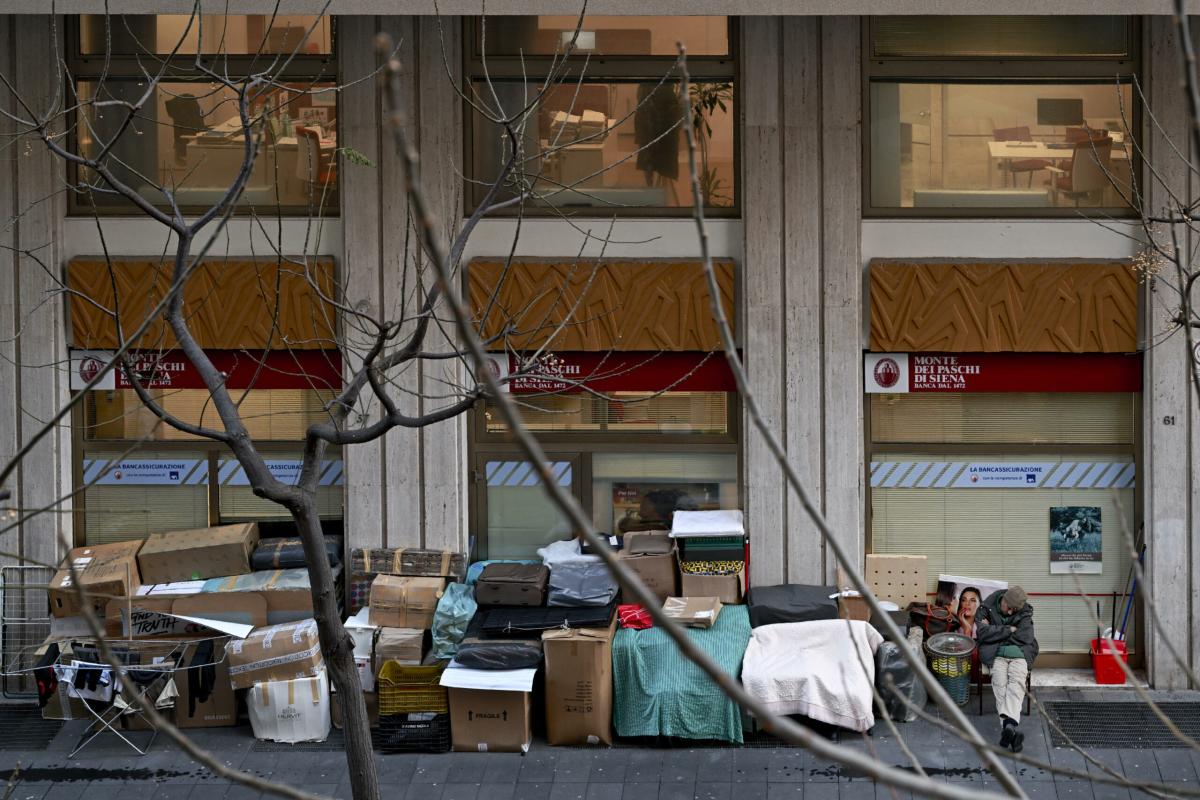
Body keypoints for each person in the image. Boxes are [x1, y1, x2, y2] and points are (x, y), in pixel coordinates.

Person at [976, 586, 1039, 753]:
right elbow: (981, 633)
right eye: (1008, 608)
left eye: (1014, 610)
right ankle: (1010, 728)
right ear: (1003, 600)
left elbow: (1026, 636)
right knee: (999, 685)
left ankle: (1008, 727)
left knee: (1016, 685)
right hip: (996, 655)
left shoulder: (1024, 611)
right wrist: (1010, 630)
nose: (1010, 613)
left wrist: (994, 632)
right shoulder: (986, 607)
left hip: (1020, 655)